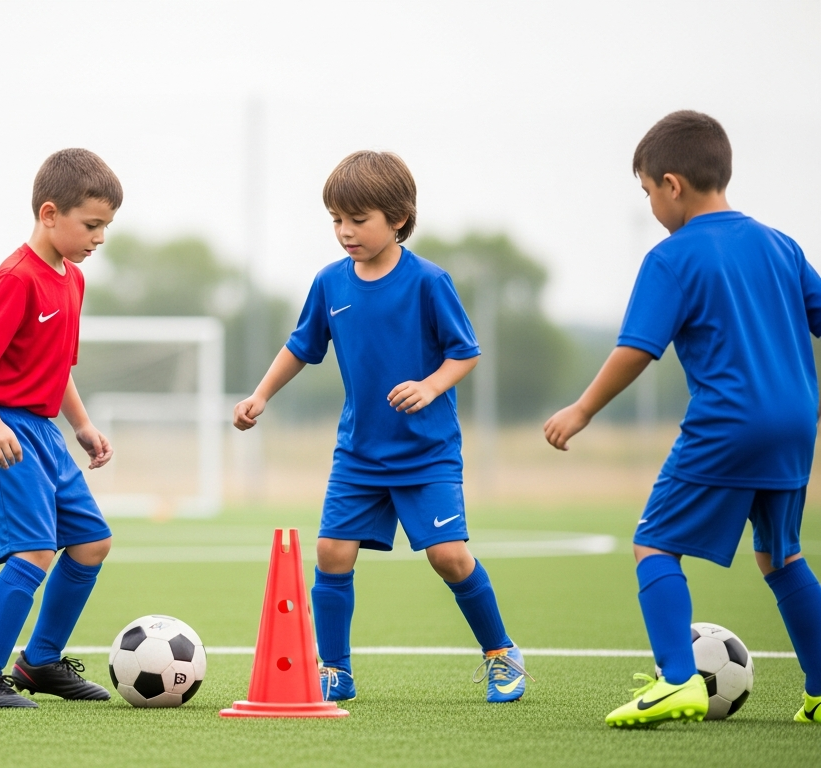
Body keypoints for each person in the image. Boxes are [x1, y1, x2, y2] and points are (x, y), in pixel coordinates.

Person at [545, 110, 821, 727]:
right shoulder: (781, 245)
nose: (649, 206)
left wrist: (582, 409)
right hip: (798, 422)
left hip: (729, 420)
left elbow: (638, 346)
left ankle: (677, 680)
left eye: (646, 192)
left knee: (653, 543)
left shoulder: (672, 258)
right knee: (782, 558)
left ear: (672, 184)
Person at [233, 151, 529, 704]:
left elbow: (465, 353)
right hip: (360, 453)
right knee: (331, 552)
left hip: (427, 452)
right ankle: (335, 670)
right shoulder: (329, 283)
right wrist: (260, 394)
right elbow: (302, 346)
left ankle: (501, 654)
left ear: (397, 218)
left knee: (449, 557)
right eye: (336, 220)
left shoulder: (428, 282)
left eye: (358, 219)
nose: (345, 232)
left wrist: (431, 385)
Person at [0, 149, 120, 708]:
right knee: (36, 551)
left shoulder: (72, 280)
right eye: (91, 225)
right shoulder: (16, 277)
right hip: (1, 428)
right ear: (50, 214)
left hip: (43, 431)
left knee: (92, 542)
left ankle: (40, 663)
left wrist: (84, 425)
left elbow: (57, 366)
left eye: (105, 228)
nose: (99, 238)